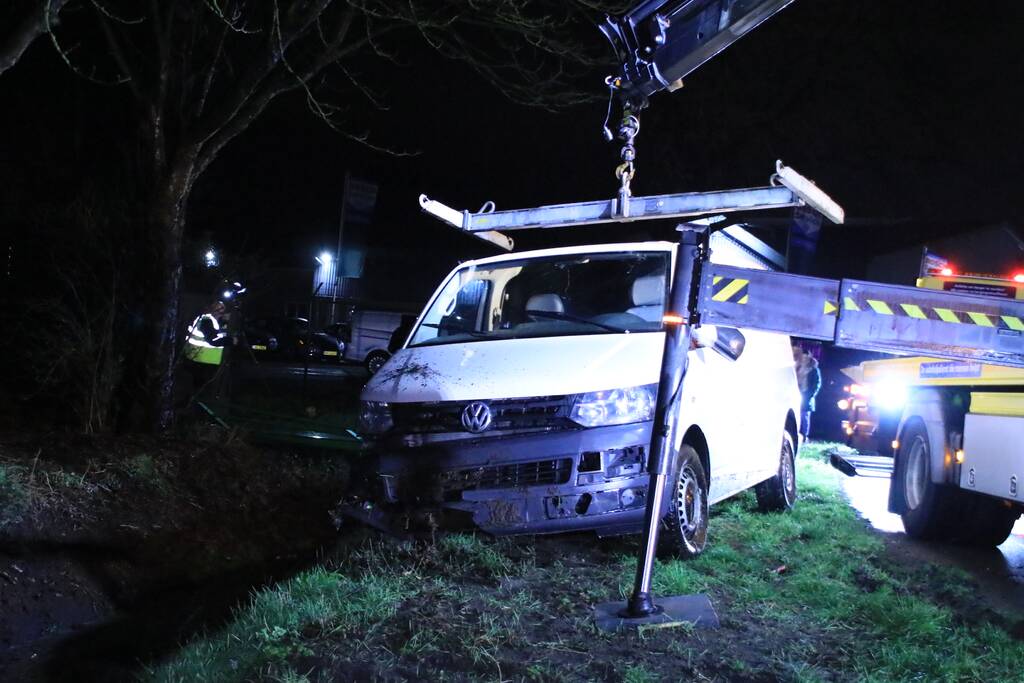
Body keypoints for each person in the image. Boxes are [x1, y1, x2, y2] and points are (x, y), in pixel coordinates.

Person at [793, 344, 821, 440]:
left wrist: (809, 395)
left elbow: (816, 384)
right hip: (795, 393)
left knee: (804, 415)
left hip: (806, 395)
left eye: (806, 356)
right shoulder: (796, 367)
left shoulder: (813, 369)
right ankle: (796, 434)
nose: (804, 358)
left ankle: (805, 435)